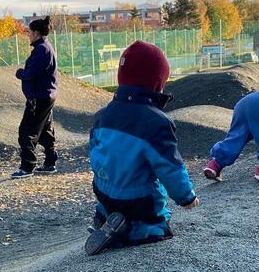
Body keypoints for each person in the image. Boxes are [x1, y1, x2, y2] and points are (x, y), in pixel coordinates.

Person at [85, 41, 199, 256]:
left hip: (103, 191)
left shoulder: (103, 115)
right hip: (139, 199)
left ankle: (104, 217)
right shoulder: (156, 123)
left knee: (113, 192)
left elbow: (94, 152)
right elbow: (169, 168)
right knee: (156, 215)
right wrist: (187, 197)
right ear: (157, 84)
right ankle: (137, 230)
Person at [12, 16, 58, 178]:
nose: (28, 34)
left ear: (37, 33)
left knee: (27, 130)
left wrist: (20, 73)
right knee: (45, 130)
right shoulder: (44, 47)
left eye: (29, 31)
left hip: (39, 97)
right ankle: (50, 162)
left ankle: (27, 166)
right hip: (45, 95)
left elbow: (33, 73)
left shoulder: (41, 50)